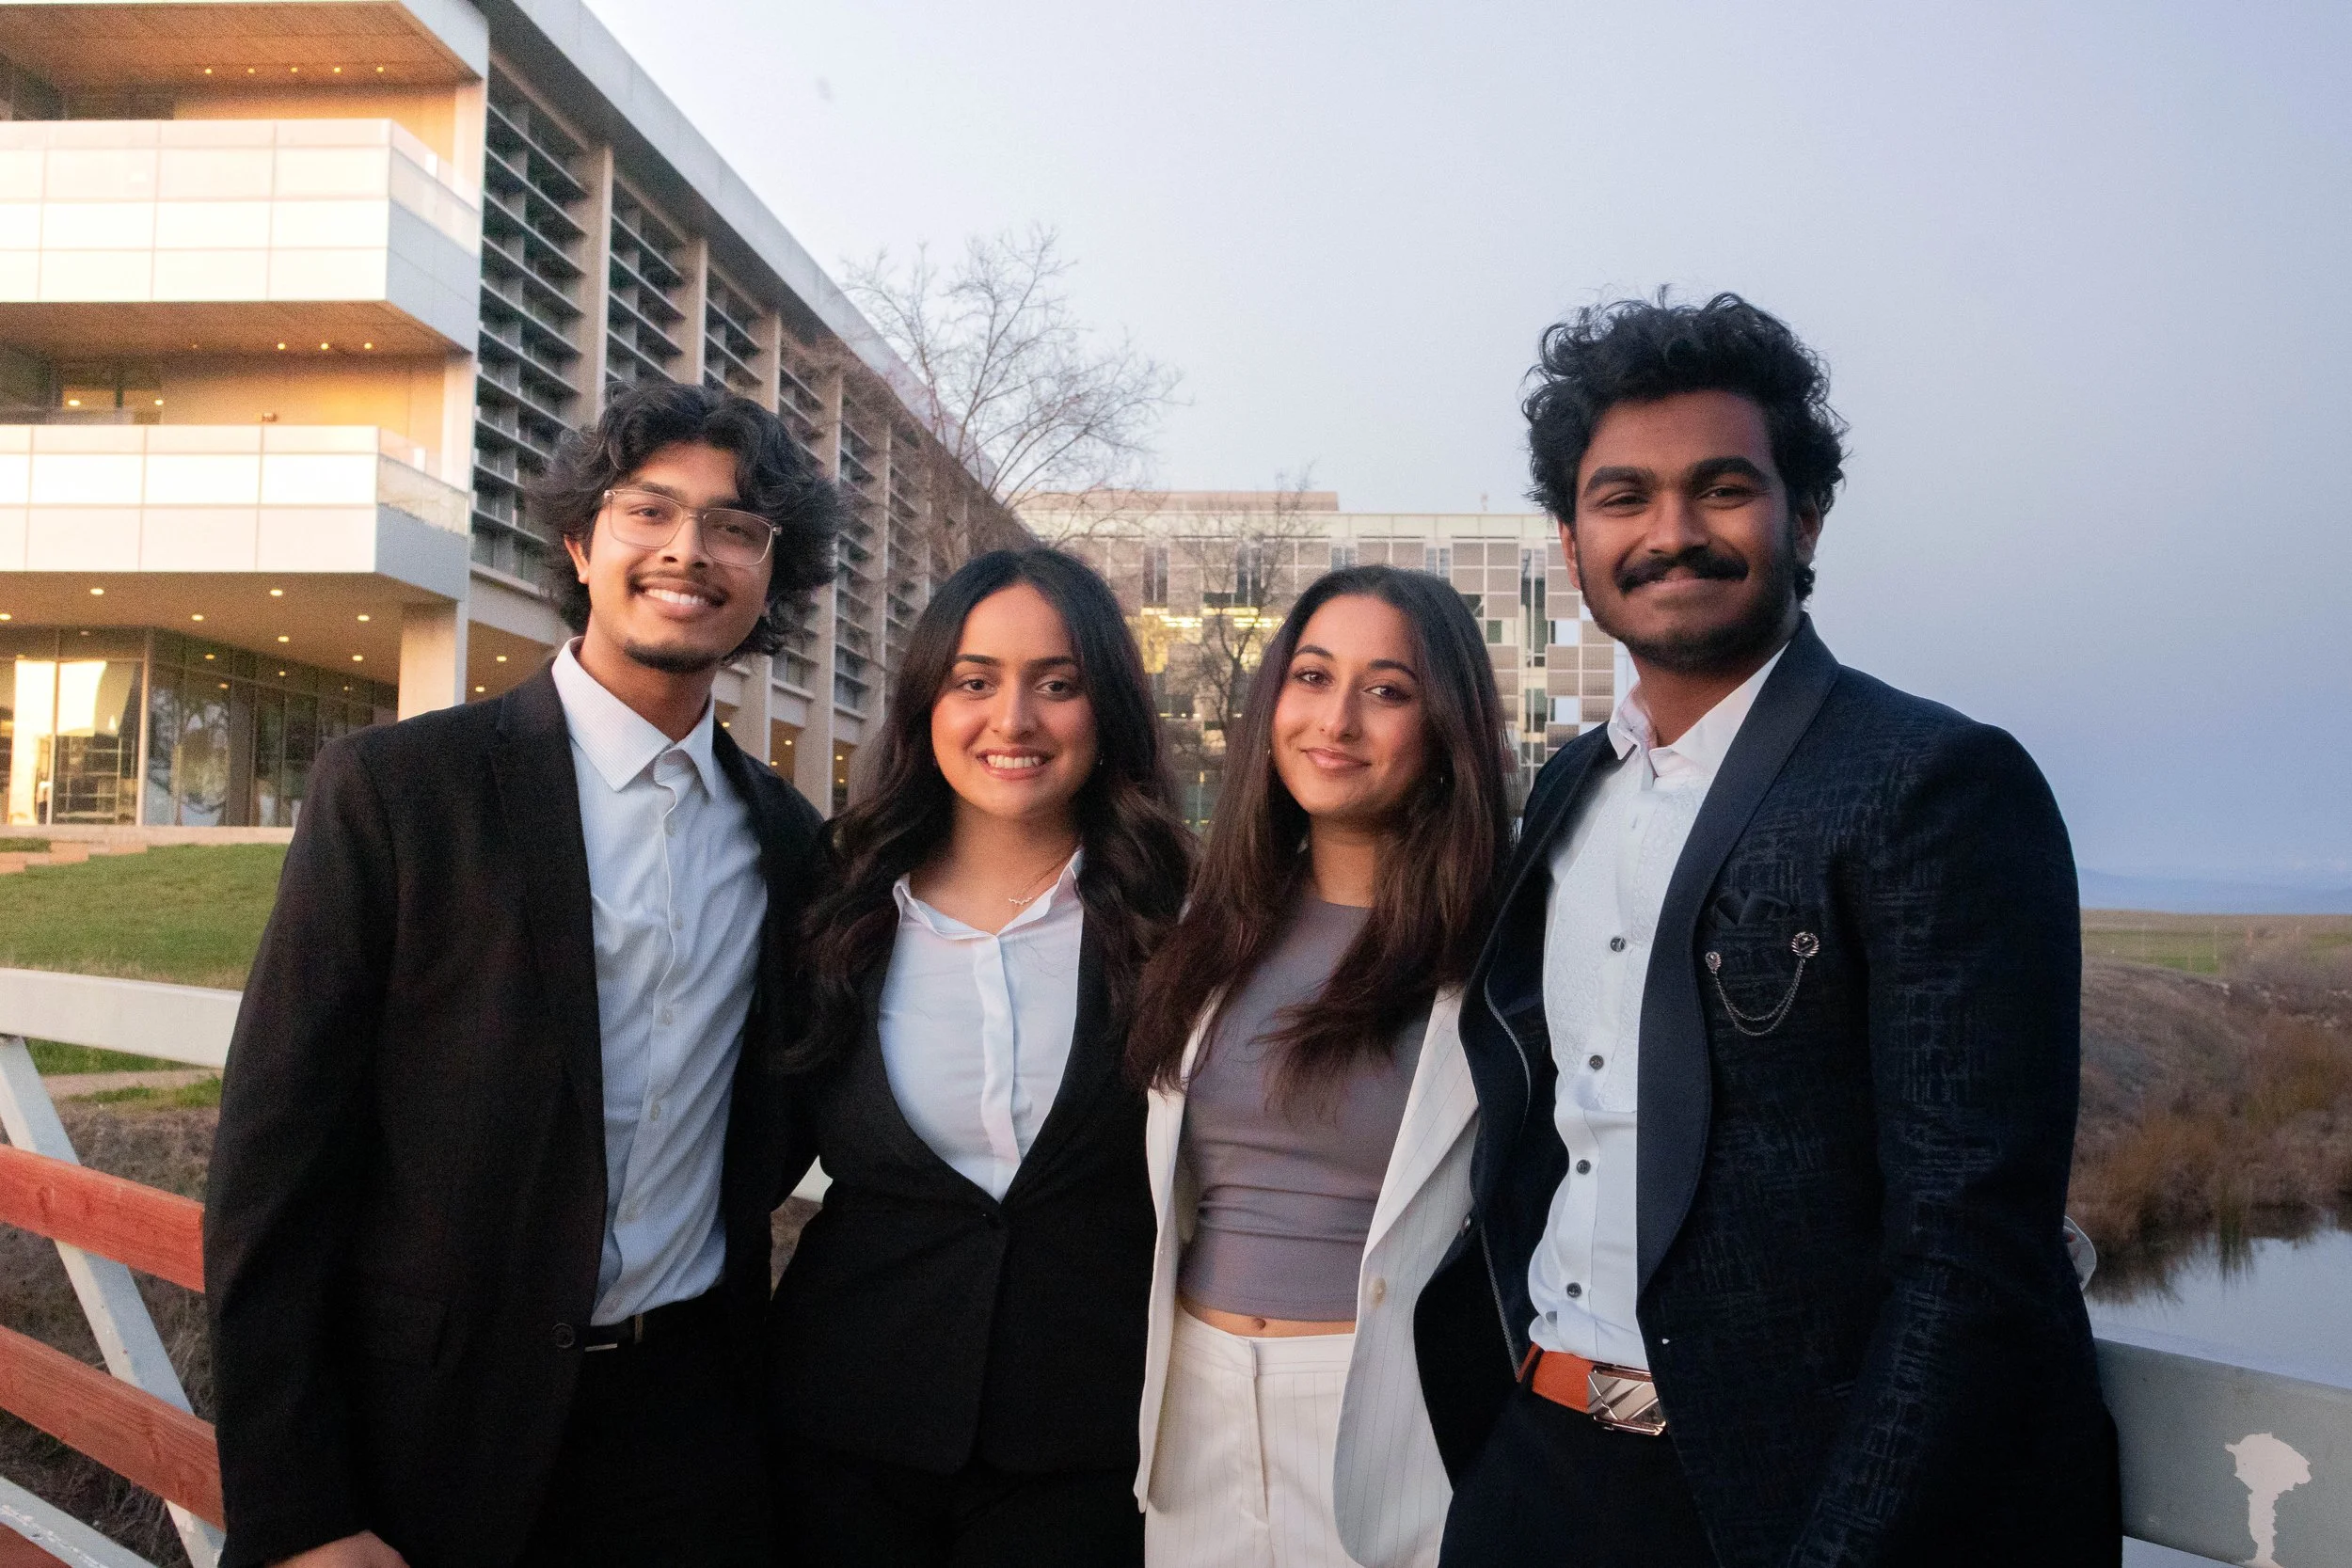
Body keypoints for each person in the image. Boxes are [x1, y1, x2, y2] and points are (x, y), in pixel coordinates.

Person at [1421, 293, 2122, 1567]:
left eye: (1723, 487)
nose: (1671, 532)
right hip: (1542, 1462)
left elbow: (1972, 1250)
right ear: (1572, 546)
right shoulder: (1570, 790)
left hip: (1785, 1504)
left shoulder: (1929, 783)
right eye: (1623, 497)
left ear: (1806, 517)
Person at [203, 381, 839, 1568]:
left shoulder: (793, 842)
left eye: (738, 527)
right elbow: (270, 1172)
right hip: (420, 1443)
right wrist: (301, 1510)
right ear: (579, 540)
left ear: (770, 577)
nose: (689, 550)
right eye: (650, 511)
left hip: (685, 1443)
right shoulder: (398, 793)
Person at [769, 547, 1193, 1567]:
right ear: (927, 704)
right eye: (975, 681)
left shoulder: (1184, 914)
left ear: (1107, 709)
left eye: (1058, 683)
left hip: (1092, 1445)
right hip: (844, 1434)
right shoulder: (829, 905)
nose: (1014, 720)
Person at [1127, 565, 1514, 1568]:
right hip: (1194, 1402)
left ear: (1444, 730)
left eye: (1387, 690)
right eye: (1310, 675)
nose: (1335, 718)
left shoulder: (1499, 950)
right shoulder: (1211, 924)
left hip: (1381, 1410)